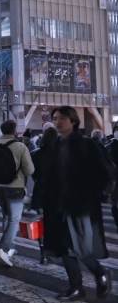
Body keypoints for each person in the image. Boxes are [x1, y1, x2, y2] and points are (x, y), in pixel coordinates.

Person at [36, 107, 113, 300]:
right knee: (64, 248)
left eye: (62, 118)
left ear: (73, 121)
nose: (58, 122)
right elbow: (45, 176)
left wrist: (92, 193)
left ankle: (100, 273)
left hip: (79, 205)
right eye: (55, 118)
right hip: (56, 205)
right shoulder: (54, 146)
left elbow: (105, 172)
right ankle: (76, 286)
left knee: (80, 248)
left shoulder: (87, 144)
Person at [0, 120, 35, 267]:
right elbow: (30, 170)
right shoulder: (20, 147)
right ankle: (3, 248)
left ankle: (10, 246)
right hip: (15, 187)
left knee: (7, 215)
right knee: (14, 219)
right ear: (15, 131)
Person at [30, 126, 58, 265]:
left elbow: (33, 174)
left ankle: (43, 253)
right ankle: (55, 250)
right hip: (58, 193)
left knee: (42, 223)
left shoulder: (35, 154)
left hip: (40, 192)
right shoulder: (62, 154)